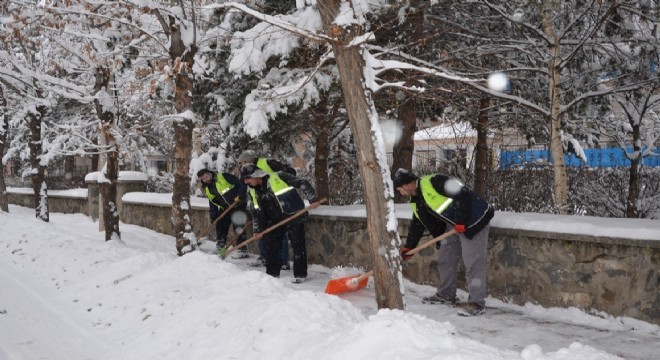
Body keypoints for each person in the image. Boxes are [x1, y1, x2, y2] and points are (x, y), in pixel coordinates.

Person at [393, 168, 494, 316]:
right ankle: (446, 294)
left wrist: (461, 220)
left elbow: (463, 193)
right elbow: (418, 223)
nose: (400, 193)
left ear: (406, 186)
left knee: (473, 262)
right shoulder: (415, 199)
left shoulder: (435, 181)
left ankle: (477, 303)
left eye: (399, 190)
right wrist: (409, 247)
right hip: (455, 224)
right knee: (446, 258)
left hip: (474, 219)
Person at [240, 163, 320, 282]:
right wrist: (257, 229)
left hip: (293, 215)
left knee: (298, 246)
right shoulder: (252, 191)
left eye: (247, 179)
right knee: (271, 247)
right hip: (273, 220)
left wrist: (313, 198)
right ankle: (272, 275)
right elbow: (256, 211)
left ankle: (300, 274)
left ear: (256, 176)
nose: (246, 182)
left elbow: (302, 182)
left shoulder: (278, 177)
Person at [237, 149, 295, 269]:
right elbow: (245, 185)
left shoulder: (267, 163)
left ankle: (283, 261)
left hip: (276, 203)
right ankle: (264, 257)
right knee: (261, 232)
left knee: (280, 233)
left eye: (243, 162)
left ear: (248, 160)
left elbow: (289, 173)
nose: (242, 165)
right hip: (260, 204)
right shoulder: (248, 171)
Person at [197, 168, 249, 259]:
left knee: (238, 226)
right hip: (225, 208)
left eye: (208, 174)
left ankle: (242, 249)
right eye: (204, 177)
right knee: (220, 224)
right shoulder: (208, 189)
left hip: (237, 204)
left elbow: (240, 184)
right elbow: (212, 203)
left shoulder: (223, 176)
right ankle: (221, 244)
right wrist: (213, 217)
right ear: (202, 180)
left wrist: (240, 195)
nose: (207, 178)